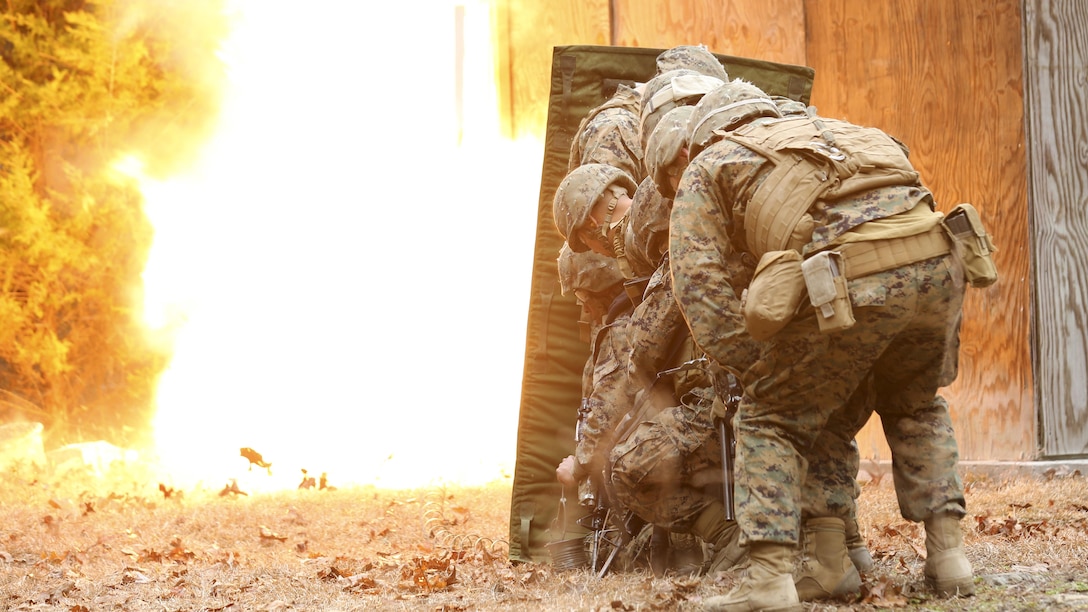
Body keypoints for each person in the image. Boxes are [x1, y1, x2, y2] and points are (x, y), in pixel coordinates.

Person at [668, 78, 975, 610]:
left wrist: (755, 366)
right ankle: (944, 558)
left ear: (711, 131)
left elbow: (698, 286)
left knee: (772, 415)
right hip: (942, 263)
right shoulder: (841, 131)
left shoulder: (712, 161)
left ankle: (768, 580)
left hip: (853, 276)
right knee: (914, 403)